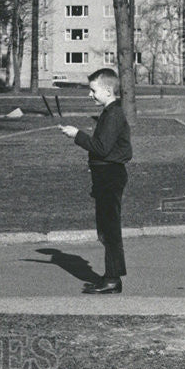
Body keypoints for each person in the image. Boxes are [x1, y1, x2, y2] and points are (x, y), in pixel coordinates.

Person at [58, 68, 132, 295]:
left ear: (108, 91)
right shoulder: (110, 113)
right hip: (105, 176)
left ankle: (112, 279)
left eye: (93, 90)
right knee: (105, 228)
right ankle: (110, 276)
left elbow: (101, 148)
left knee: (109, 229)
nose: (90, 95)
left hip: (110, 176)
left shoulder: (113, 114)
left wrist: (77, 134)